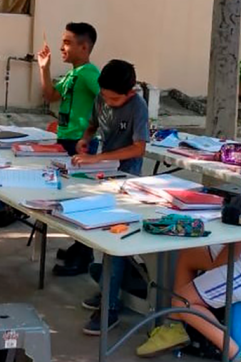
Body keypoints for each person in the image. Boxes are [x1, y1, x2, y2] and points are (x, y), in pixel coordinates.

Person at [136, 122, 241, 362]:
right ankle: (174, 327)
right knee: (189, 254)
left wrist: (213, 272)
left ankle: (238, 354)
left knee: (181, 300)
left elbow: (234, 246)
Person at [70, 60, 149, 335]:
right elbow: (92, 125)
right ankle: (109, 291)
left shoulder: (137, 106)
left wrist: (99, 157)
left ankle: (111, 307)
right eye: (105, 95)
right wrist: (84, 139)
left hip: (126, 180)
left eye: (114, 98)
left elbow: (139, 148)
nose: (108, 101)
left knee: (116, 242)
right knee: (103, 240)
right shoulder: (101, 98)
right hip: (100, 176)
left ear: (130, 92)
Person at [37, 22, 102, 277]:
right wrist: (45, 69)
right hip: (64, 139)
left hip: (80, 143)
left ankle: (85, 255)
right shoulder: (73, 74)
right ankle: (78, 246)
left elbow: (105, 99)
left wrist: (91, 132)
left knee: (80, 197)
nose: (61, 46)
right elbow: (50, 95)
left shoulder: (89, 73)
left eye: (67, 42)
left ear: (84, 47)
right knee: (68, 195)